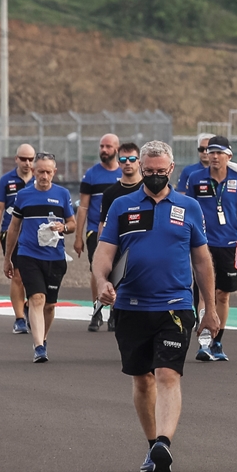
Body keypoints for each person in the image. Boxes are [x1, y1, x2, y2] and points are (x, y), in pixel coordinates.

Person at [92, 140, 219, 472]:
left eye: (161, 172)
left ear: (171, 170)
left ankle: (164, 442)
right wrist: (103, 281)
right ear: (141, 170)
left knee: (166, 374)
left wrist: (211, 307)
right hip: (131, 307)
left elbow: (203, 260)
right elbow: (103, 253)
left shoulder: (189, 207)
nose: (155, 177)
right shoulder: (122, 206)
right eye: (149, 172)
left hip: (176, 306)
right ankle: (152, 444)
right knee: (142, 380)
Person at [184, 135, 237, 361]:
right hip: (202, 245)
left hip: (229, 244)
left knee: (223, 295)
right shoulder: (196, 178)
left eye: (218, 152)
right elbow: (187, 208)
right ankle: (204, 341)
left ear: (229, 155)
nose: (213, 156)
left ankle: (218, 341)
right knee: (204, 295)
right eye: (210, 152)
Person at [4, 153, 75, 363]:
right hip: (28, 254)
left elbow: (72, 224)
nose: (44, 176)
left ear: (54, 172)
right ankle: (38, 347)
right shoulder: (24, 196)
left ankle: (43, 338)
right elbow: (14, 227)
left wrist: (64, 227)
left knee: (50, 305)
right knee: (37, 298)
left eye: (48, 172)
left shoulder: (62, 194)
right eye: (41, 171)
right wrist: (8, 258)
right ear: (34, 171)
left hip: (55, 256)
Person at [95, 141, 145, 331]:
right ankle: (113, 313)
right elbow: (103, 224)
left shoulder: (147, 188)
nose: (127, 163)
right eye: (123, 159)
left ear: (139, 161)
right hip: (119, 248)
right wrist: (103, 249)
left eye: (132, 159)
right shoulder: (111, 193)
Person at [77, 134, 122, 330]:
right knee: (98, 271)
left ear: (117, 149)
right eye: (102, 146)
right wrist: (78, 236)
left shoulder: (125, 173)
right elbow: (83, 207)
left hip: (121, 231)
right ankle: (97, 310)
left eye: (108, 146)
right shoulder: (91, 174)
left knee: (118, 272)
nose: (104, 150)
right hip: (96, 231)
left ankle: (115, 311)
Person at [0, 143, 36, 333]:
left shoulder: (40, 178)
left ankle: (29, 307)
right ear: (16, 159)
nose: (27, 163)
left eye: (30, 159)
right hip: (12, 232)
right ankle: (19, 318)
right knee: (17, 275)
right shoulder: (6, 180)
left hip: (34, 233)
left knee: (32, 277)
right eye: (23, 159)